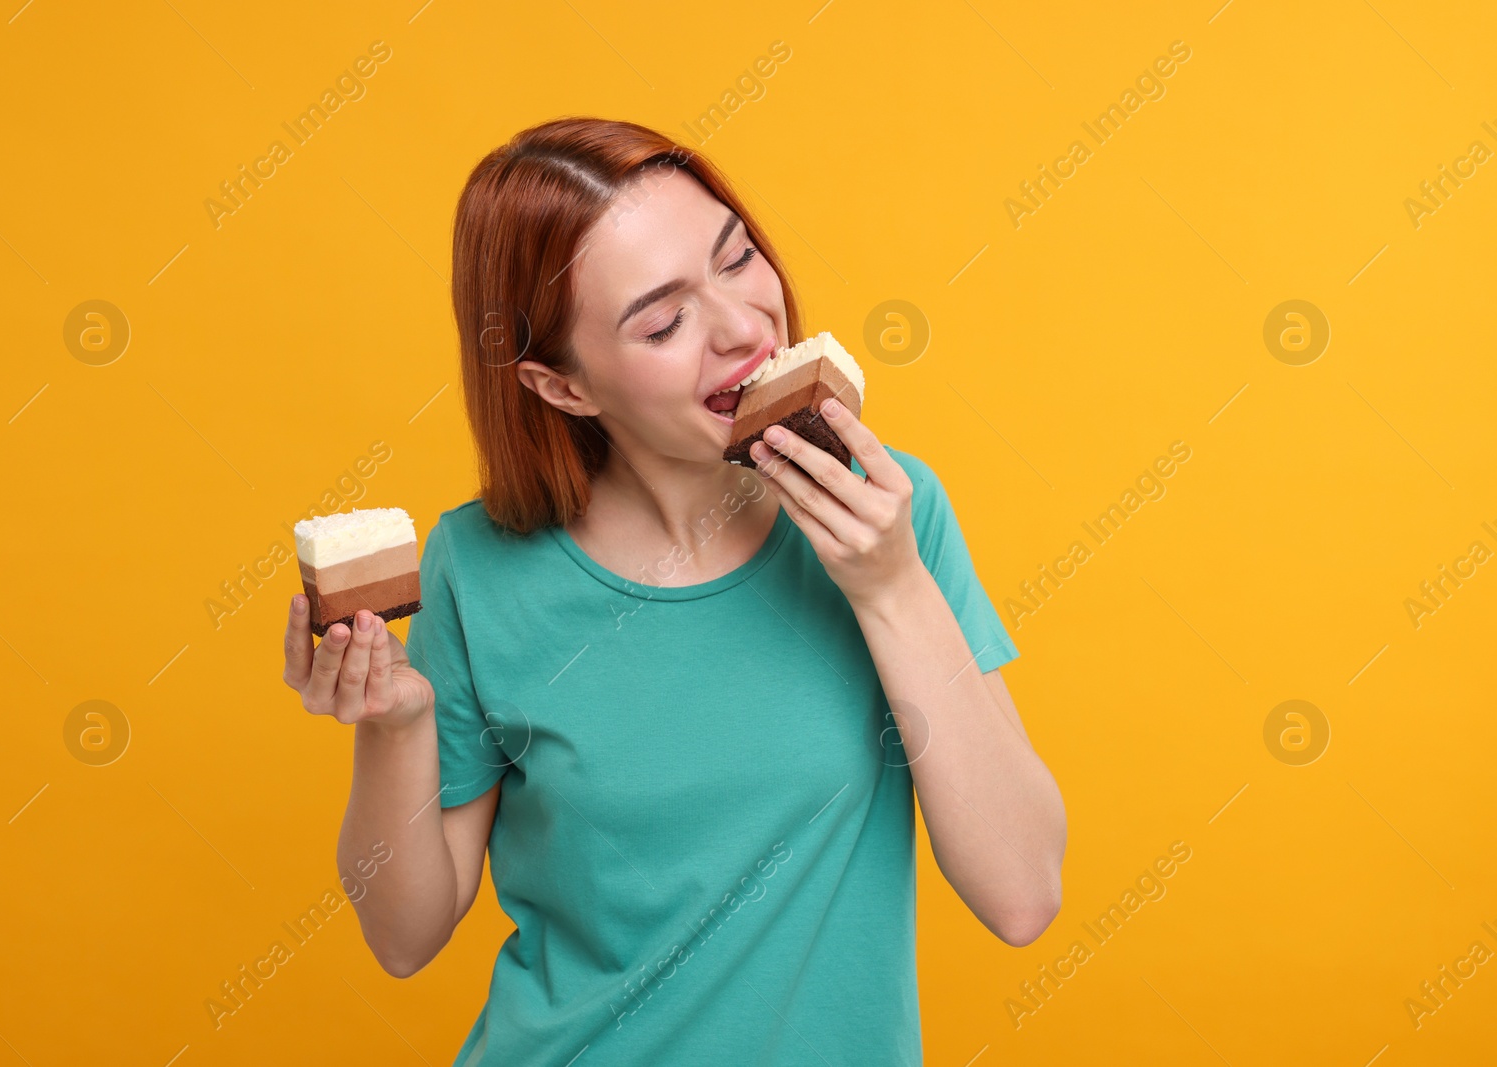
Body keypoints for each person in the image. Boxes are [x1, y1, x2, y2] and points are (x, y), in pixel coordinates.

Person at [282, 116, 1067, 1065]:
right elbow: (404, 937)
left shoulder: (892, 513)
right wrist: (394, 725)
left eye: (737, 261)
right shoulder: (477, 566)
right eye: (663, 322)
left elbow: (1023, 893)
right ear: (562, 388)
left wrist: (889, 584)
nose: (743, 327)